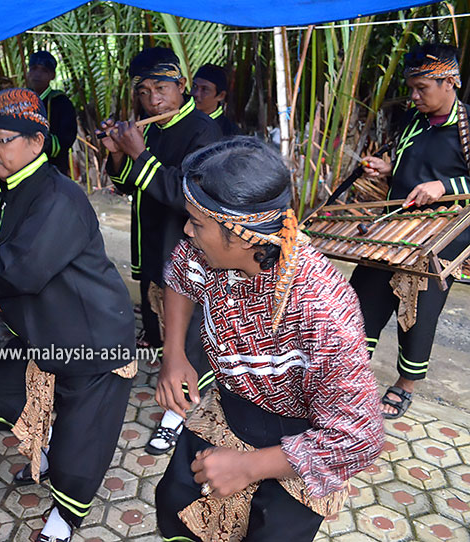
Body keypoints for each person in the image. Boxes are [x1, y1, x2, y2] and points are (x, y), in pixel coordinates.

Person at [154, 137, 384, 542]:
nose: (187, 231)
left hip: (296, 448)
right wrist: (173, 355)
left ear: (243, 235)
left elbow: (358, 437)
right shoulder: (206, 253)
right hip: (226, 414)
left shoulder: (323, 307)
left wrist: (247, 467)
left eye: (197, 222)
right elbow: (180, 273)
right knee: (175, 505)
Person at [0, 88, 136, 542]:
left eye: (2, 140)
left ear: (36, 141)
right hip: (47, 331)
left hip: (92, 338)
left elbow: (20, 269)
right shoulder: (8, 192)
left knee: (81, 445)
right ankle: (47, 445)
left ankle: (64, 520)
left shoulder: (58, 197)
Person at [101, 47, 221, 455]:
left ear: (181, 86)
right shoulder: (149, 129)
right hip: (152, 239)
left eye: (162, 88)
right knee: (162, 320)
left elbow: (187, 195)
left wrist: (137, 152)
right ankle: (170, 377)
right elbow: (124, 186)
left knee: (187, 331)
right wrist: (118, 153)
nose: (153, 100)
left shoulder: (204, 131)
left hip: (188, 250)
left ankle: (178, 412)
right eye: (145, 90)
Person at [354, 42, 470, 419]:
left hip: (440, 236)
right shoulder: (412, 121)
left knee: (418, 311)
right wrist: (387, 170)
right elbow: (411, 164)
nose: (415, 96)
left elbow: (450, 182)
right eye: (412, 88)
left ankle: (406, 384)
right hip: (395, 226)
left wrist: (445, 187)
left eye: (423, 88)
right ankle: (352, 371)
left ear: (450, 82)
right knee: (362, 296)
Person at [26, 51, 77, 176]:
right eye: (33, 69)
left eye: (44, 71)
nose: (37, 74)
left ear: (52, 76)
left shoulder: (61, 102)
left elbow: (66, 139)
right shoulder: (21, 100)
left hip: (53, 169)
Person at [191, 63, 241, 136]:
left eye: (204, 89)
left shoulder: (229, 132)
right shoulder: (180, 120)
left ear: (221, 96)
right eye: (194, 86)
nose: (196, 94)